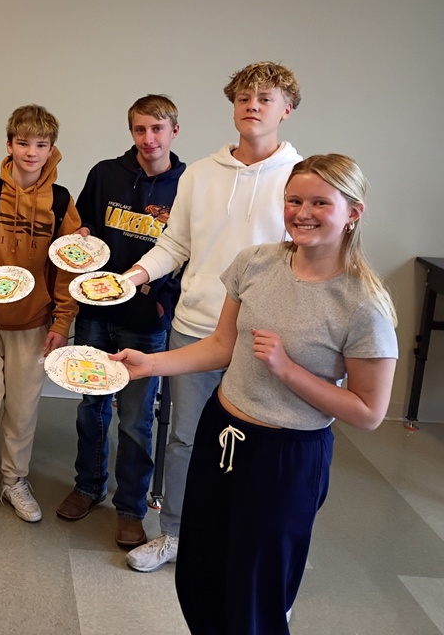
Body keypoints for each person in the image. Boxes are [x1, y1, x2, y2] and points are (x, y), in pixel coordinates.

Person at [113, 154, 398, 634]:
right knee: (202, 574)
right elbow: (223, 346)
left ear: (353, 212)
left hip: (285, 458)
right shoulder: (255, 262)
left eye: (319, 202)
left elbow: (369, 412)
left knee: (255, 593)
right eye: (294, 200)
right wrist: (150, 365)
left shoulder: (362, 304)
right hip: (221, 432)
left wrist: (288, 370)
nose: (302, 212)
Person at [123, 61, 303, 572]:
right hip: (195, 328)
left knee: (258, 444)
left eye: (265, 99)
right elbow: (174, 244)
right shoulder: (199, 173)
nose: (252, 106)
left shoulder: (301, 176)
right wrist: (130, 278)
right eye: (244, 98)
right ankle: (175, 534)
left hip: (266, 340)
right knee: (185, 437)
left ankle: (244, 544)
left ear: (285, 110)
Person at [55, 95, 185, 551]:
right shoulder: (105, 173)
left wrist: (162, 303)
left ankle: (130, 509)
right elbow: (86, 226)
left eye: (157, 129)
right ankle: (88, 486)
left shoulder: (186, 185)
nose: (148, 139)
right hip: (95, 312)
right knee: (91, 407)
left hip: (145, 320)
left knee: (134, 421)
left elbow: (188, 253)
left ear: (174, 131)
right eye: (139, 130)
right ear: (131, 132)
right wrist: (83, 235)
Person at [0, 104, 81, 525]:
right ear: (9, 145)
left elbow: (68, 267)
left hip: (35, 323)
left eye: (40, 145)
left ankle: (14, 481)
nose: (31, 152)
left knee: (24, 410)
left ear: (51, 150)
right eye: (23, 143)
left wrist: (62, 323)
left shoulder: (62, 202)